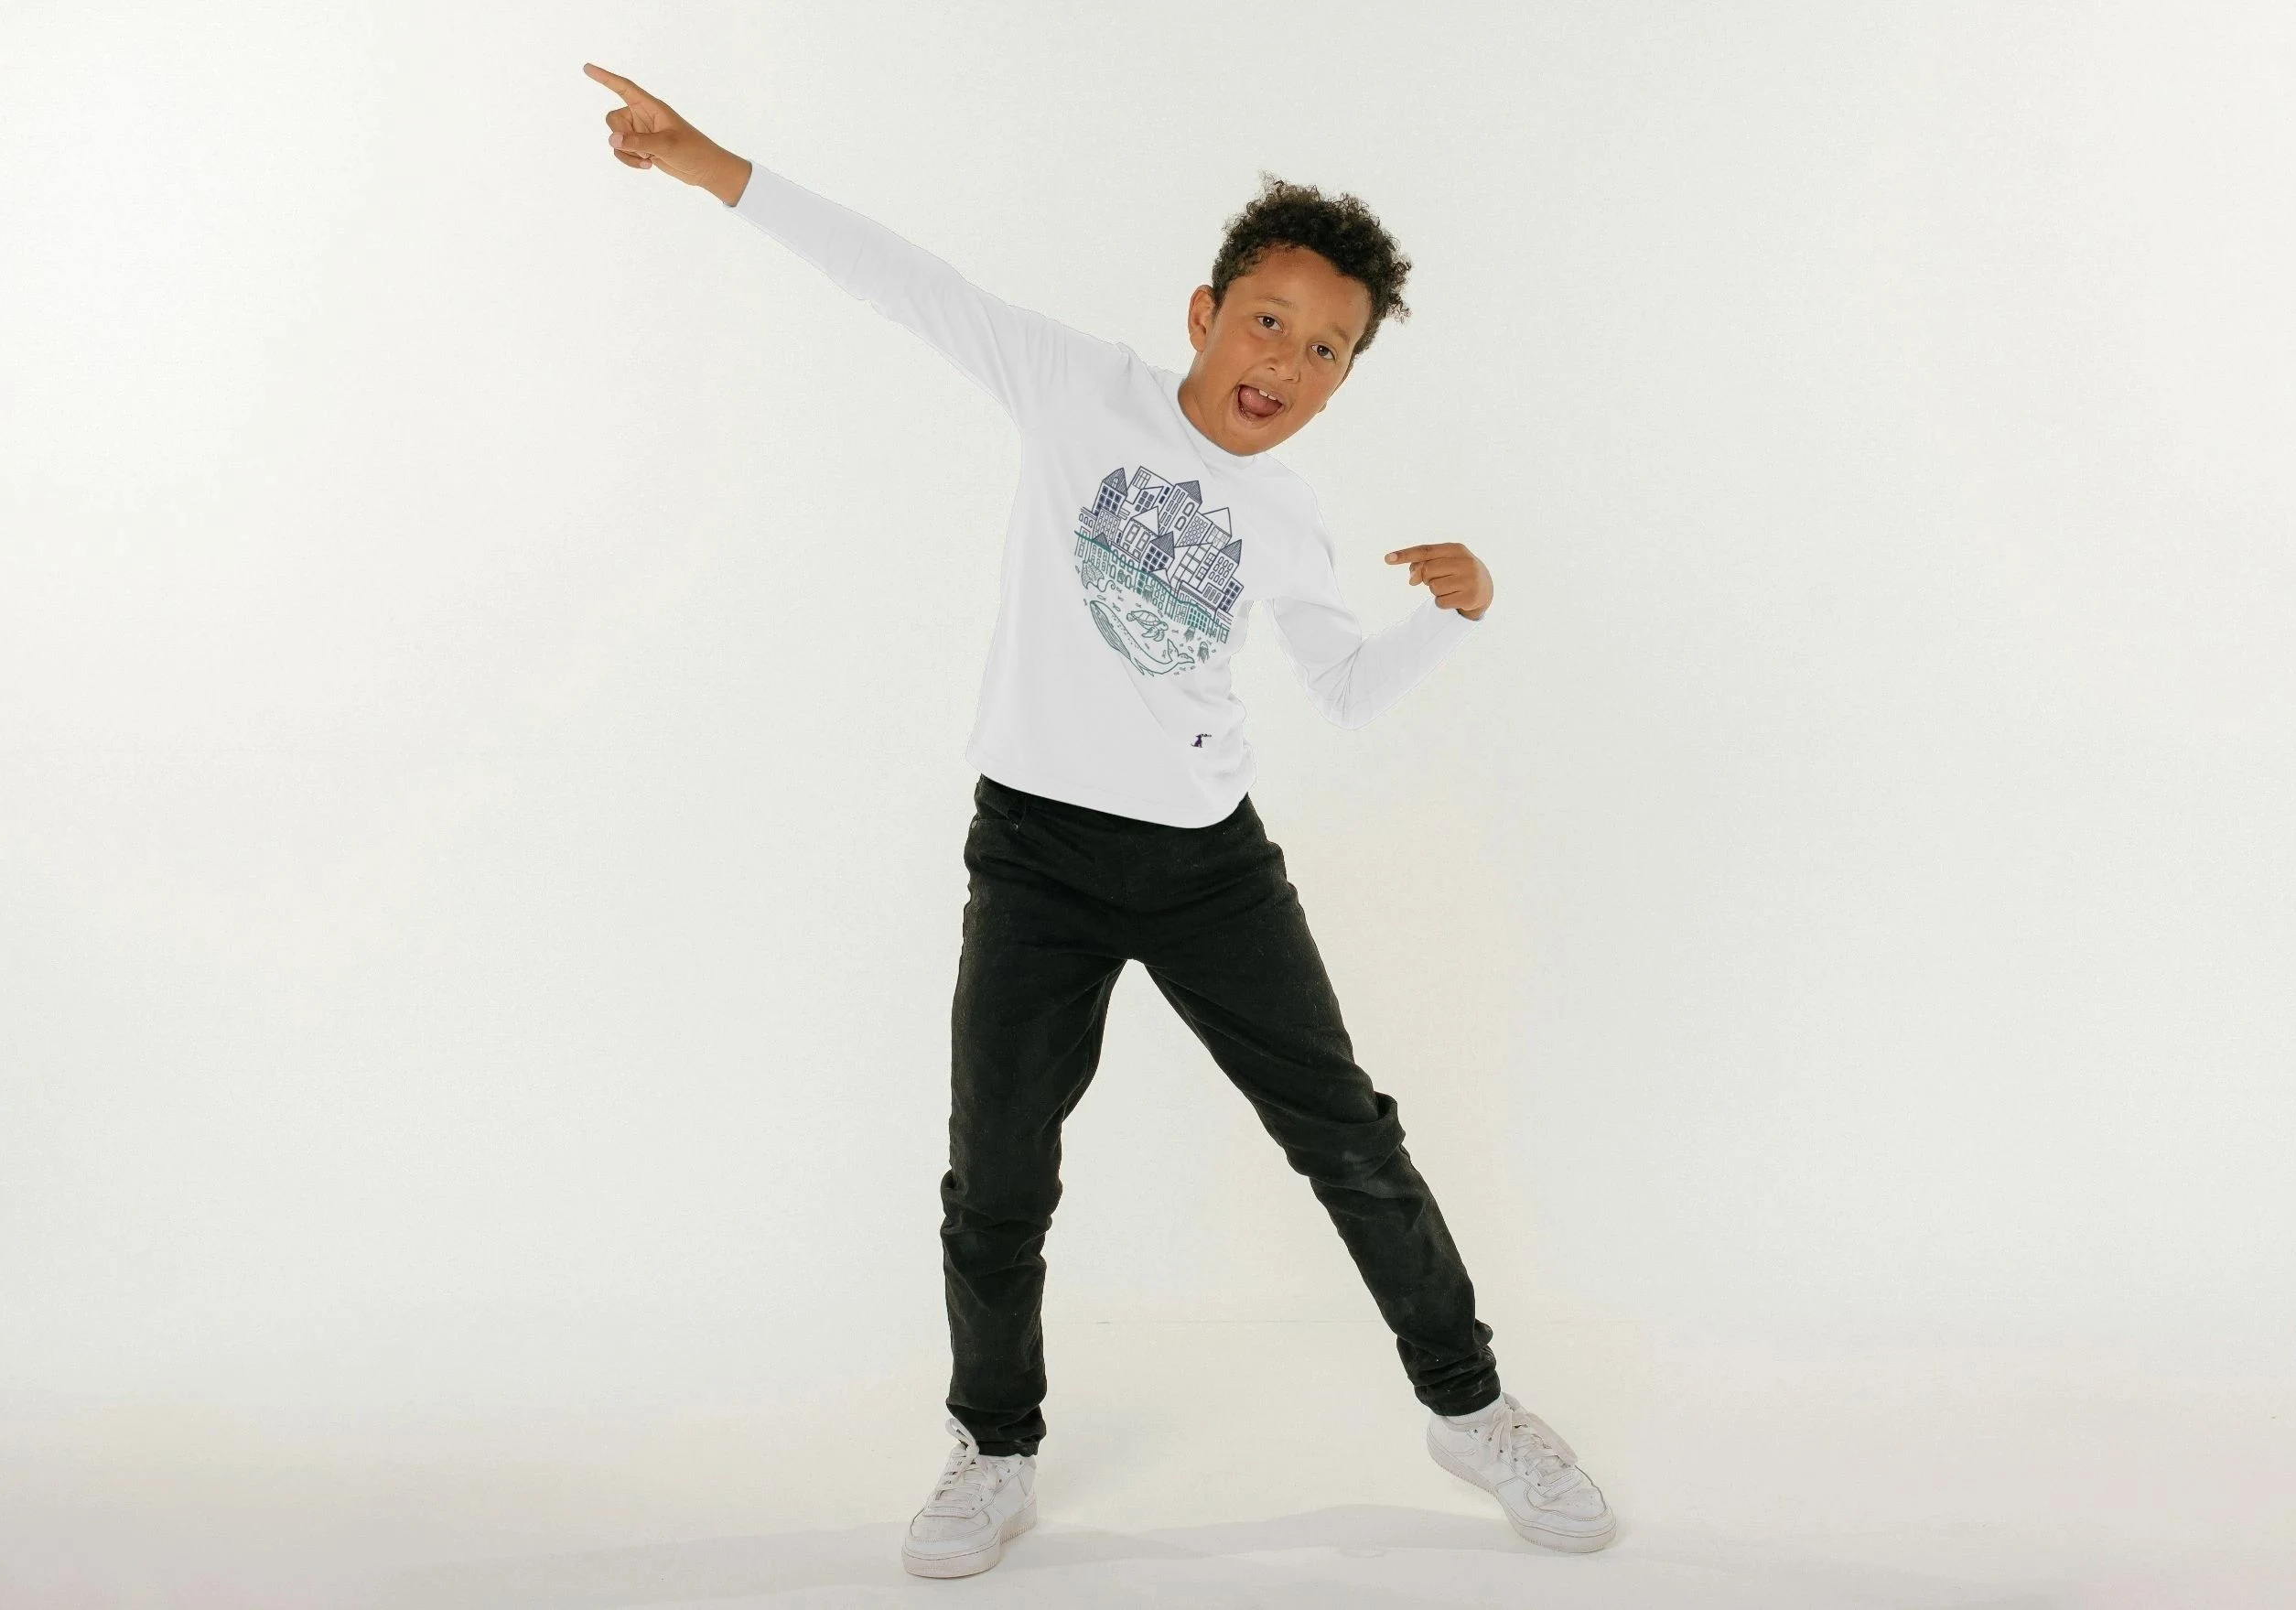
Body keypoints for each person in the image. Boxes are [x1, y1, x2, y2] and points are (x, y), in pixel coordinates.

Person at [584, 61, 1614, 1578]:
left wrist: (1453, 618)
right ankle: (994, 1446)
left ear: (1342, 381)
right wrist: (707, 164)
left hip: (1208, 868)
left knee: (1349, 1138)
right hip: (1038, 857)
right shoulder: (1073, 387)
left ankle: (1472, 1408)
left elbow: (1342, 685)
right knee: (997, 1173)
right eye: (1269, 321)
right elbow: (901, 278)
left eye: (1327, 349)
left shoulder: (1288, 516)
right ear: (1204, 314)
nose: (1288, 361)